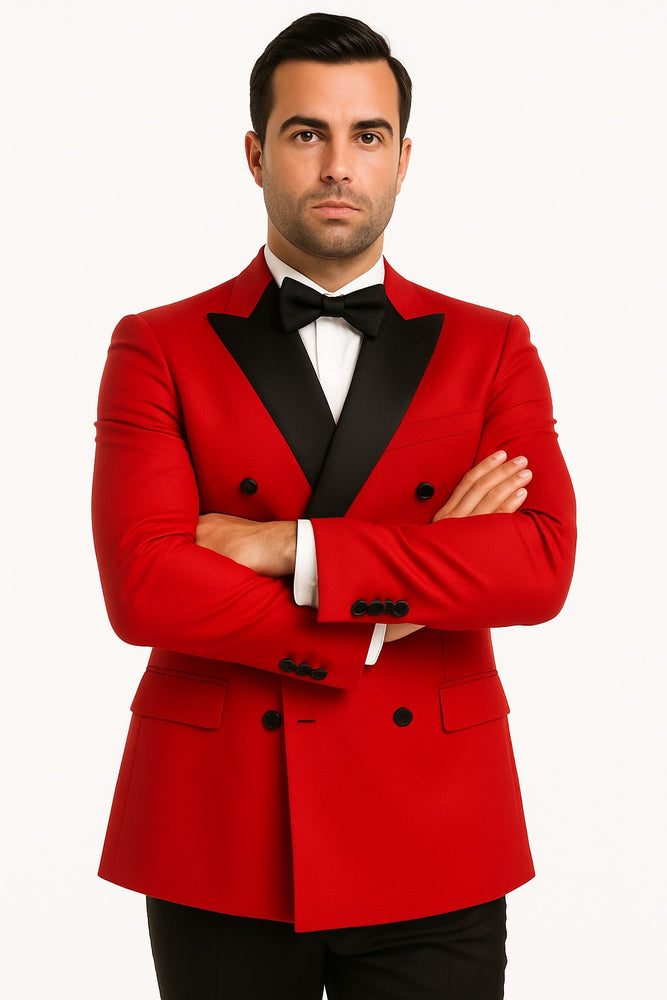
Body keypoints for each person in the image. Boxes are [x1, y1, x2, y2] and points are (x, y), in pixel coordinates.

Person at [92, 12, 576, 1000]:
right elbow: (144, 586)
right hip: (221, 825)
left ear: (403, 158)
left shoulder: (490, 346)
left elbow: (537, 564)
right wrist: (403, 598)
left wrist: (288, 545)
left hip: (435, 823)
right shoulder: (157, 345)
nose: (337, 166)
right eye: (306, 133)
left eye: (367, 135)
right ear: (254, 153)